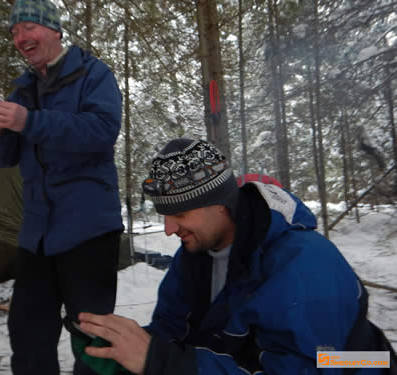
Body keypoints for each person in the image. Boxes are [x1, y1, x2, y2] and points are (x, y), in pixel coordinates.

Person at [77, 138, 397, 374]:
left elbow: (308, 367)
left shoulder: (302, 265)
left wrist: (162, 362)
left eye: (181, 214)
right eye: (164, 215)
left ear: (221, 204)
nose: (169, 229)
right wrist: (124, 349)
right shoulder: (196, 255)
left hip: (354, 363)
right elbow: (172, 330)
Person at [0, 1, 124, 374]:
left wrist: (30, 121)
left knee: (92, 336)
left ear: (54, 30)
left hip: (89, 228)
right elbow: (8, 158)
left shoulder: (93, 73)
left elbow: (102, 131)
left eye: (29, 27)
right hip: (37, 233)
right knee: (27, 332)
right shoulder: (22, 89)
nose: (21, 38)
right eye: (15, 32)